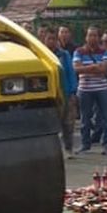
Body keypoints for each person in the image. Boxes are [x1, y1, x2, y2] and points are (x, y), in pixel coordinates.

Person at [73, 26, 107, 155]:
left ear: (99, 37)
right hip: (84, 89)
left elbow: (104, 69)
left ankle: (106, 144)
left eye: (95, 35)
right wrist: (94, 66)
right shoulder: (78, 51)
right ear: (86, 37)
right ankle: (85, 144)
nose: (93, 38)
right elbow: (76, 68)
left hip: (101, 88)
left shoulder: (105, 52)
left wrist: (86, 67)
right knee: (85, 118)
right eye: (90, 35)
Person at [43, 28, 78, 157]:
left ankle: (68, 148)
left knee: (68, 123)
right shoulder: (41, 55)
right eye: (49, 39)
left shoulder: (64, 55)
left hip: (66, 93)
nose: (51, 42)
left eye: (54, 39)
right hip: (50, 95)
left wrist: (73, 91)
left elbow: (70, 73)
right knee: (52, 123)